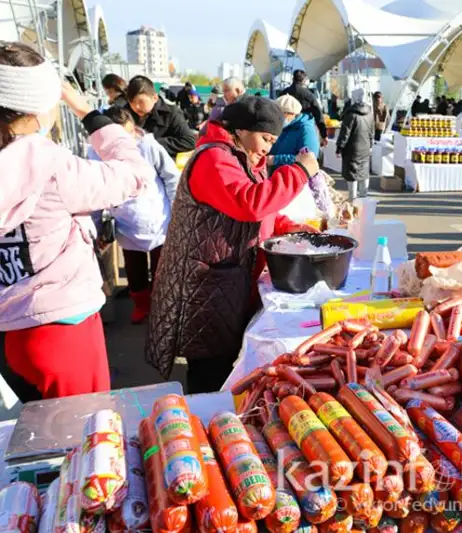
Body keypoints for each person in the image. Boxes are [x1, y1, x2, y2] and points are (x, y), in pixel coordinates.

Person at [0, 41, 152, 401]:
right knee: (85, 442)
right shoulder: (51, 166)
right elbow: (135, 174)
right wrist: (88, 113)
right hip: (61, 335)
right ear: (38, 111)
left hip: (10, 336)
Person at [146, 96, 319, 392]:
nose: (268, 147)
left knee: (227, 367)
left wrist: (291, 229)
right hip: (205, 286)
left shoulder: (249, 159)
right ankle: (202, 429)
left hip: (230, 283)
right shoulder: (213, 159)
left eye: (273, 141)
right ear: (241, 130)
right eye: (265, 138)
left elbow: (263, 214)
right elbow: (248, 203)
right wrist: (299, 172)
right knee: (209, 373)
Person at [88, 107, 180, 324]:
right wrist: (97, 226)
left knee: (162, 268)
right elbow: (93, 189)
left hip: (158, 218)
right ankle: (141, 304)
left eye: (127, 135)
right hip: (125, 221)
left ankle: (162, 308)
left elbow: (171, 177)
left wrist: (177, 211)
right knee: (134, 268)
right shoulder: (95, 153)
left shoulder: (147, 145)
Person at [126, 75, 196, 159]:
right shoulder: (125, 113)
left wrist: (152, 144)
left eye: (141, 102)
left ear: (154, 98)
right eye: (132, 102)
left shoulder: (171, 113)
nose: (136, 106)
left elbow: (189, 141)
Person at [337, 88, 374, 200]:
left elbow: (345, 134)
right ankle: (363, 197)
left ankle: (352, 199)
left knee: (352, 174)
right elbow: (372, 132)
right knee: (364, 172)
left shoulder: (351, 115)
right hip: (365, 147)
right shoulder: (370, 113)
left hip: (352, 149)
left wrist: (339, 148)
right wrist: (371, 145)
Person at [270, 94, 320, 167]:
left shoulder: (306, 130)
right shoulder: (283, 127)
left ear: (292, 114)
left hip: (294, 175)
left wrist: (275, 159)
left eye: (280, 114)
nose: (276, 117)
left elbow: (308, 159)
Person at [279, 70, 327, 145]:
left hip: (285, 129)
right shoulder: (309, 95)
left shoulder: (283, 93)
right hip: (303, 129)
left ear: (293, 79)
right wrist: (324, 134)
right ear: (304, 80)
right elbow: (318, 115)